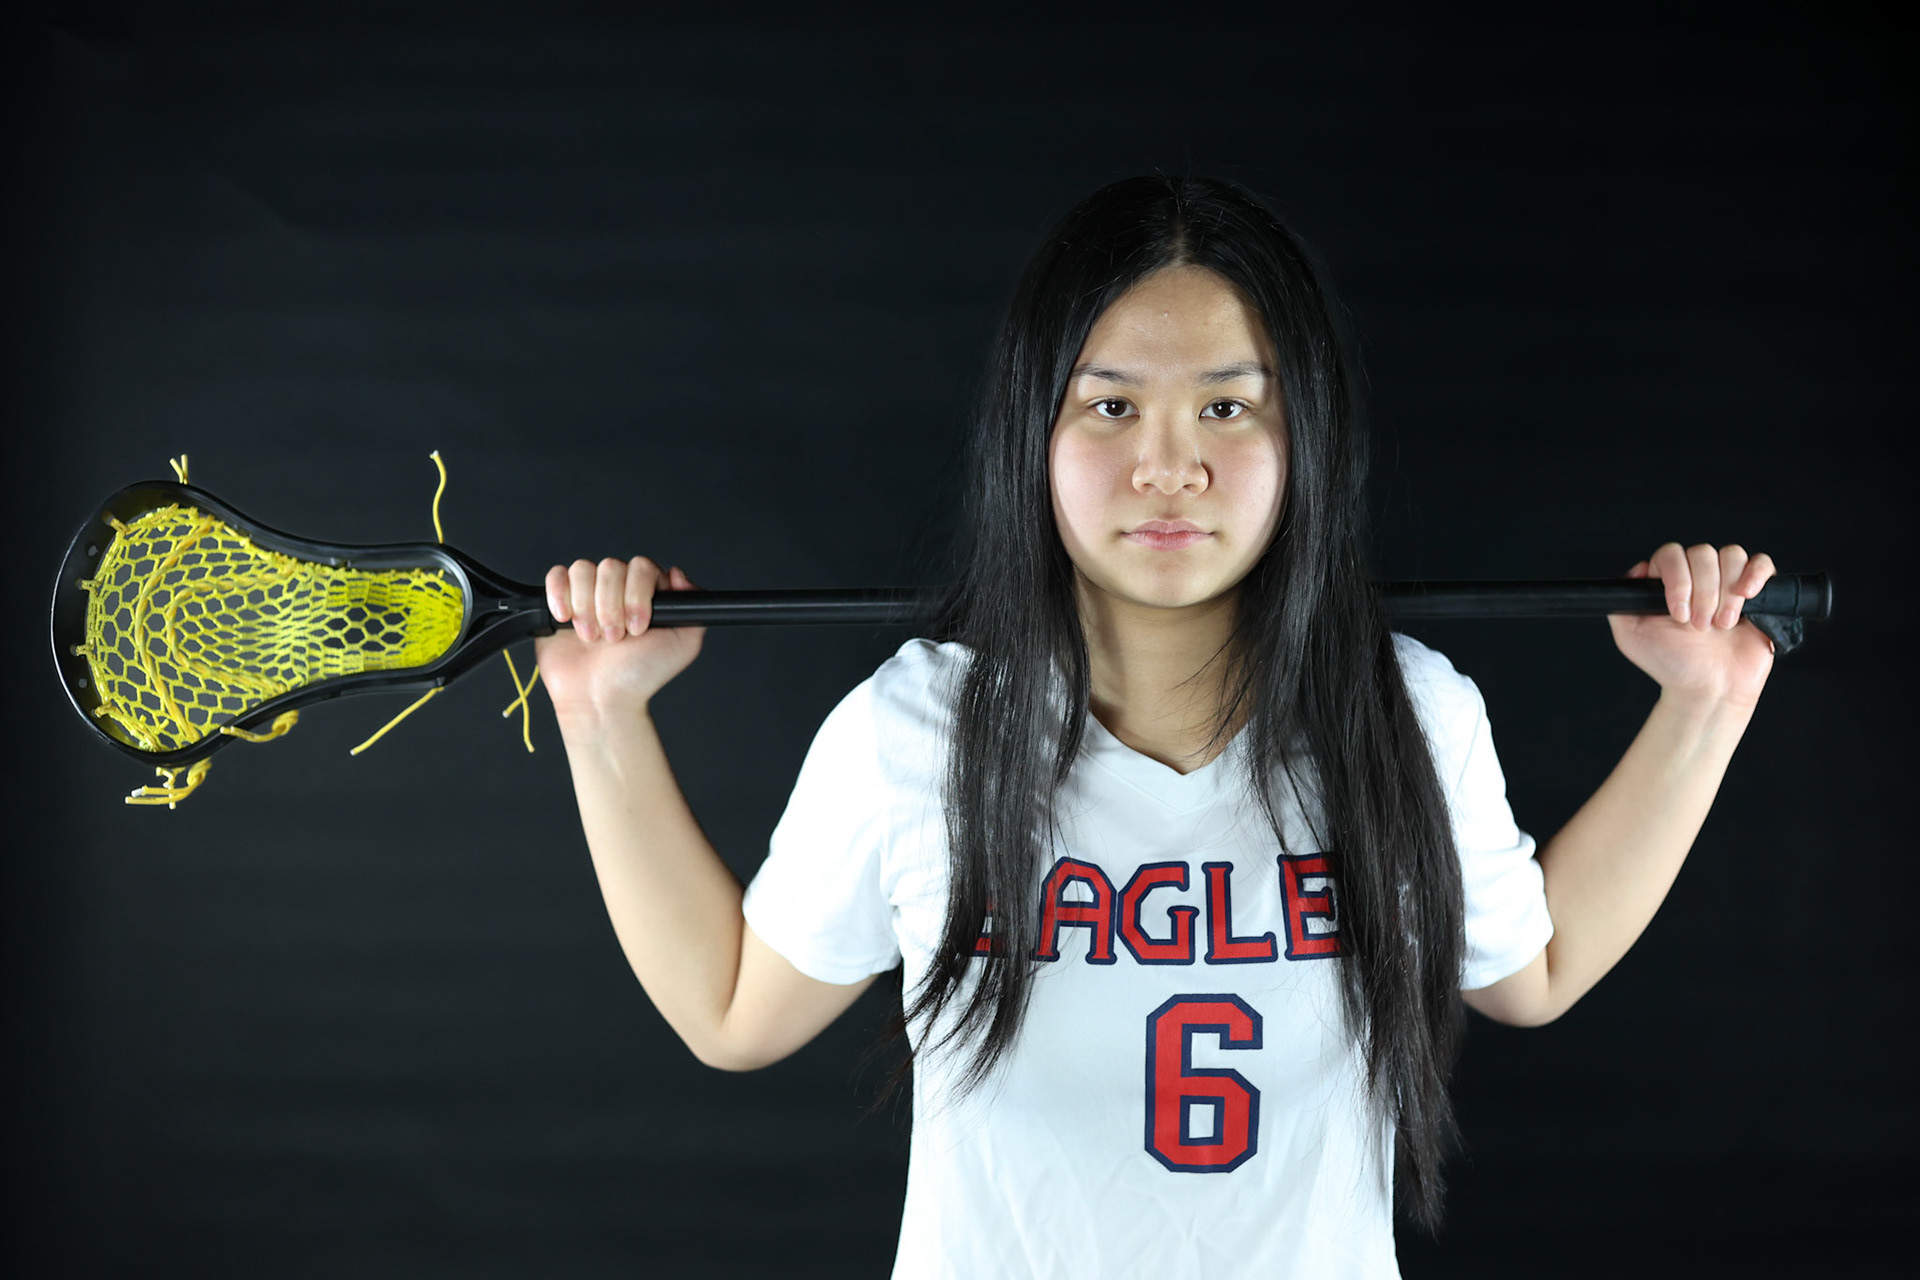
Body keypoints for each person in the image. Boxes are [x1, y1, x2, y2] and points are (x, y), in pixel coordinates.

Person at [532, 174, 1777, 1279]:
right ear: (1034, 431)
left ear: (1305, 439)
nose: (1169, 467)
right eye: (1112, 407)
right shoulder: (914, 728)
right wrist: (600, 716)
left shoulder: (1405, 714)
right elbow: (733, 1011)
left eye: (1228, 409)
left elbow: (1533, 975)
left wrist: (1706, 700)